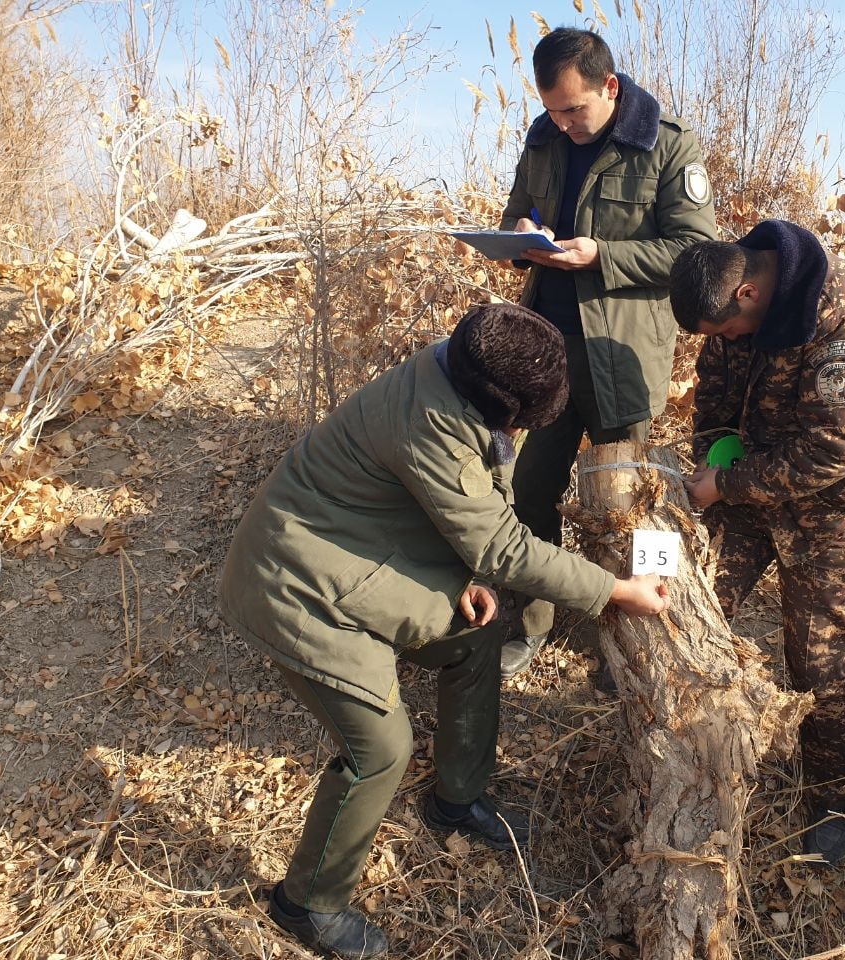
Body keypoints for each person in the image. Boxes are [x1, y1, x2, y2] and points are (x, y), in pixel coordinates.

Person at [218, 304, 669, 959]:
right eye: (520, 422)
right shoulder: (430, 418)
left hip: (360, 550)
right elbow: (505, 547)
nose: (519, 432)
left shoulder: (457, 369)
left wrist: (462, 573)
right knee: (380, 748)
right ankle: (308, 903)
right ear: (496, 401)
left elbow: (461, 507)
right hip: (294, 578)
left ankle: (456, 799)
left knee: (475, 636)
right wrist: (615, 591)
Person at [669, 220, 845, 867]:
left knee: (816, 659)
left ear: (748, 295)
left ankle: (832, 804)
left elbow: (834, 451)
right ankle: (685, 755)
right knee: (694, 600)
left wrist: (727, 483)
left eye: (723, 331)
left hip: (835, 507)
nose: (721, 344)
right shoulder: (727, 301)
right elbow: (715, 403)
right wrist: (713, 459)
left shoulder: (842, 322)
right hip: (751, 483)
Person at [497, 26, 718, 678]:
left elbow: (693, 251)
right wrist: (522, 233)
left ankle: (641, 635)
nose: (562, 123)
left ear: (610, 87)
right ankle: (532, 622)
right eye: (552, 109)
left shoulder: (666, 146)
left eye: (575, 109)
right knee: (529, 492)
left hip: (621, 356)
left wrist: (603, 255)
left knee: (635, 507)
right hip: (544, 353)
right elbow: (515, 211)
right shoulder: (543, 138)